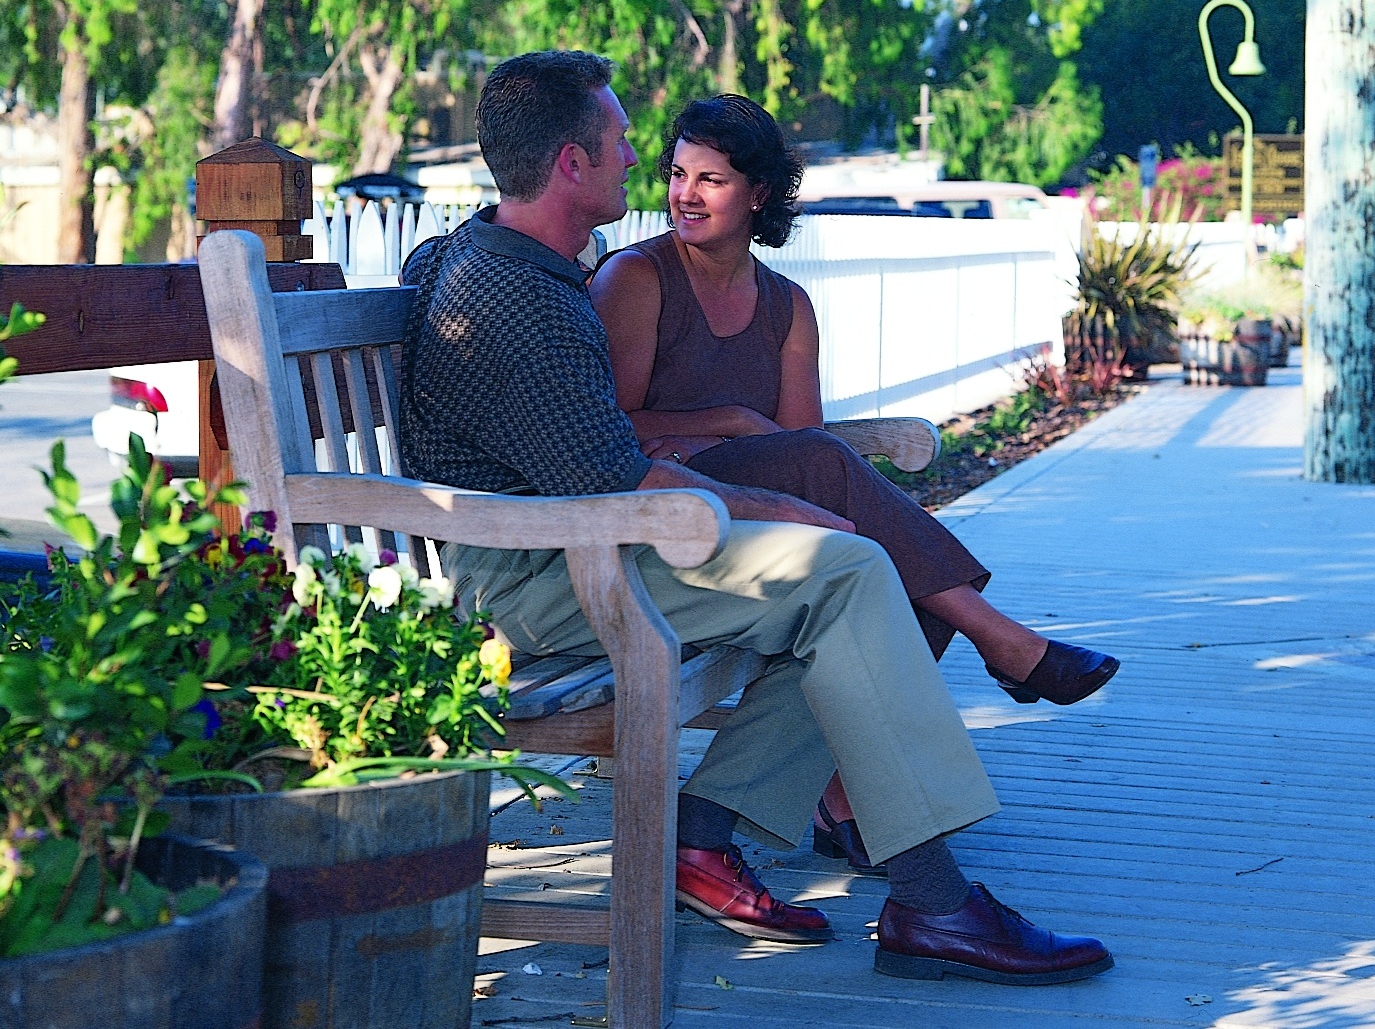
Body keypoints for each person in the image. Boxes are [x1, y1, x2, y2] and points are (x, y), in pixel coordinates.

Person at [399, 50, 1113, 984]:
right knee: (851, 574)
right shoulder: (519, 296)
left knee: (849, 577)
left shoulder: (510, 263)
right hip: (538, 575)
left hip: (579, 544)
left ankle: (714, 839)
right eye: (622, 143)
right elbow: (612, 479)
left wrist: (778, 497)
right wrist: (774, 503)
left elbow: (594, 463)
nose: (638, 162)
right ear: (572, 162)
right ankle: (933, 904)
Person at [589, 94, 1119, 871]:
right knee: (887, 547)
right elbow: (607, 431)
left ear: (758, 194)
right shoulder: (637, 278)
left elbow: (798, 444)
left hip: (757, 517)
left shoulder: (786, 305)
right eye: (677, 174)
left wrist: (732, 434)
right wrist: (731, 419)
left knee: (896, 576)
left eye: (710, 179)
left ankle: (839, 794)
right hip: (664, 511)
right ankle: (998, 644)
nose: (684, 194)